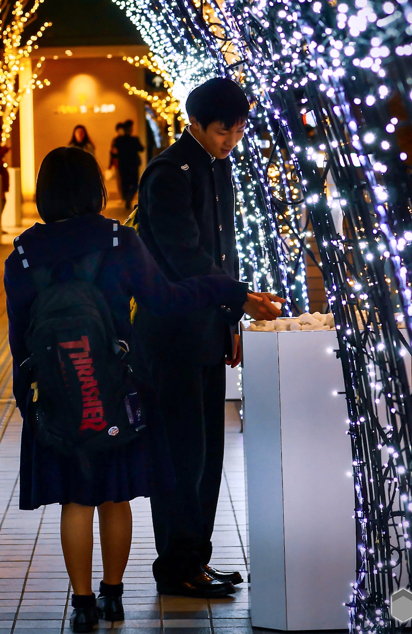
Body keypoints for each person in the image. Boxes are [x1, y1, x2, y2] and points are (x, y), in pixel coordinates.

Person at [5, 147, 281, 632]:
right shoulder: (119, 240)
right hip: (116, 390)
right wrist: (233, 292)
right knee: (115, 497)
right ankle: (114, 596)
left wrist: (29, 403)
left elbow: (19, 337)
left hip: (59, 395)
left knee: (75, 500)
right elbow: (168, 299)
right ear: (95, 188)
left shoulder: (23, 255)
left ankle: (83, 604)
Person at [133, 76, 263, 598]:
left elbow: (222, 253)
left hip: (206, 330)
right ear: (196, 123)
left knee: (207, 455)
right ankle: (177, 565)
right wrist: (240, 298)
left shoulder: (218, 167)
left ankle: (195, 560)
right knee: (180, 455)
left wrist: (230, 321)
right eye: (222, 130)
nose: (231, 140)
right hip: (171, 338)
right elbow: (185, 256)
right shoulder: (168, 173)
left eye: (237, 130)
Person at [110, 119, 145, 210]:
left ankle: (127, 197)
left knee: (124, 182)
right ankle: (129, 196)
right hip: (133, 164)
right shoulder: (134, 139)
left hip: (123, 164)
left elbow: (113, 153)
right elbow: (141, 148)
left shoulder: (118, 140)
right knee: (134, 181)